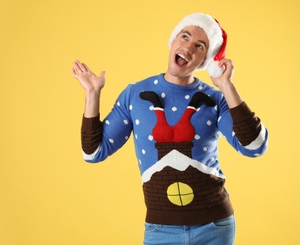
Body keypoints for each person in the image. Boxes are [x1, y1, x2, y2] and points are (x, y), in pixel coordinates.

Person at [71, 13, 268, 245]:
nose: (188, 47)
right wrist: (92, 94)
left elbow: (254, 147)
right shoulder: (134, 94)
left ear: (205, 60)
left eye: (200, 46)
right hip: (160, 230)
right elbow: (93, 153)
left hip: (215, 226)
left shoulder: (215, 98)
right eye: (184, 37)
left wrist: (226, 85)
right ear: (173, 41)